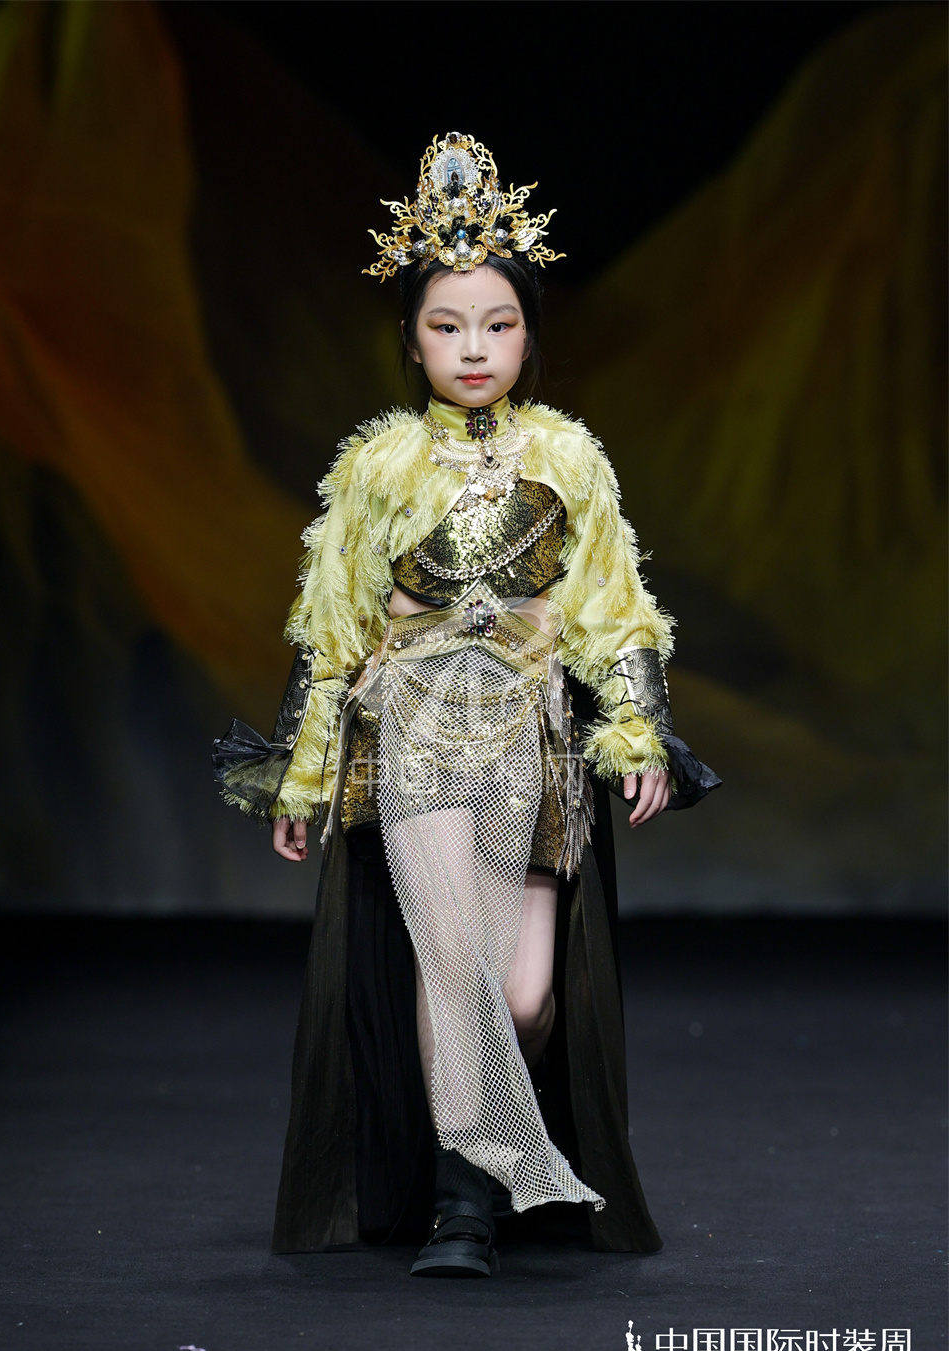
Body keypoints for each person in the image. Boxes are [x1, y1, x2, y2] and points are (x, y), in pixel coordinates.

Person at [213, 132, 719, 1279]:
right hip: (417, 730)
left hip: (536, 743)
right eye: (448, 326)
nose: (475, 347)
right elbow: (331, 626)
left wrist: (638, 731)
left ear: (530, 332)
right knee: (453, 960)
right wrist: (301, 770)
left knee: (526, 993)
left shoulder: (569, 458)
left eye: (498, 323)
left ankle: (474, 1177)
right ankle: (463, 1215)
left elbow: (614, 610)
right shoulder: (379, 466)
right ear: (411, 338)